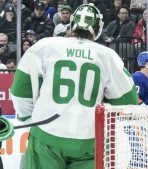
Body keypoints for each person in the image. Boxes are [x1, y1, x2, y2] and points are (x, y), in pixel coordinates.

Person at [10, 3, 138, 169]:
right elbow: (129, 100)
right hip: (89, 141)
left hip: (47, 136)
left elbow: (20, 89)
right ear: (98, 28)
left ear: (72, 23)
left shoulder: (45, 46)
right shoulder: (108, 56)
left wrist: (28, 118)